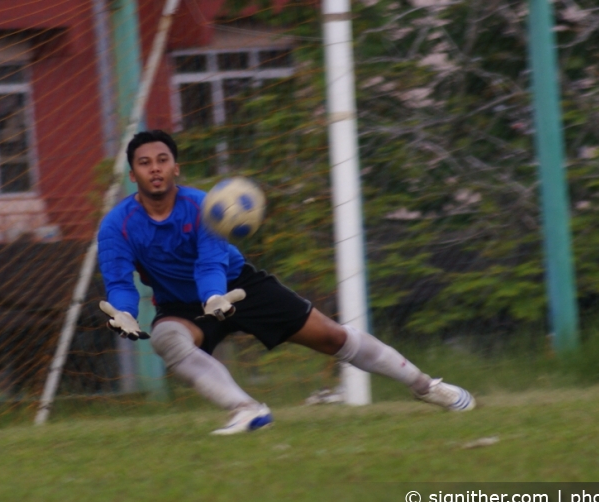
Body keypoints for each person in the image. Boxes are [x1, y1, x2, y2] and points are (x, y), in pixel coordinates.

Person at [97, 130, 475, 435]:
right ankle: (247, 411)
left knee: (332, 337)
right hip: (180, 307)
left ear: (176, 167)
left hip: (237, 287)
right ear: (133, 175)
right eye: (145, 163)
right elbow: (118, 280)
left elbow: (211, 262)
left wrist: (214, 295)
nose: (155, 169)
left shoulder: (205, 206)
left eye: (162, 160)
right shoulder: (117, 224)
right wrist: (125, 312)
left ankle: (426, 386)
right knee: (167, 340)